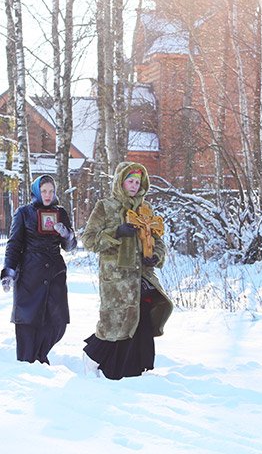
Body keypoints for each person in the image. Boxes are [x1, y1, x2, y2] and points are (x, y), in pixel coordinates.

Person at [81, 162, 173, 379]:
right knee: (114, 323)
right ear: (120, 182)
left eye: (138, 182)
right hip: (116, 279)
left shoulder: (145, 210)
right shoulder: (105, 206)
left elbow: (158, 240)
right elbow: (88, 240)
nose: (134, 186)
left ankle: (135, 372)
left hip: (142, 277)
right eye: (130, 181)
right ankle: (92, 358)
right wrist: (116, 232)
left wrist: (154, 256)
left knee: (140, 321)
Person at [1, 175, 76, 364]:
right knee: (28, 320)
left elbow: (70, 247)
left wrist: (66, 235)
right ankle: (28, 361)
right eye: (44, 191)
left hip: (55, 272)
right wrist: (9, 271)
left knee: (57, 322)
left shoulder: (61, 213)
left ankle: (41, 356)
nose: (48, 195)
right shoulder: (24, 212)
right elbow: (14, 244)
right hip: (29, 272)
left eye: (51, 191)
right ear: (36, 191)